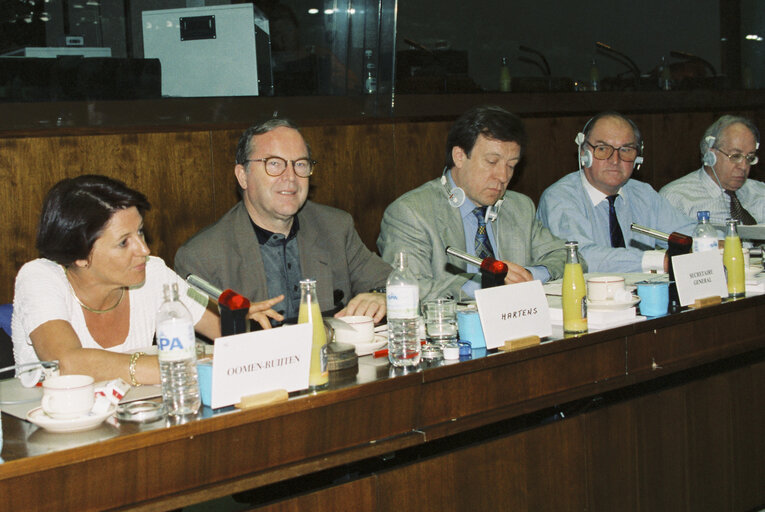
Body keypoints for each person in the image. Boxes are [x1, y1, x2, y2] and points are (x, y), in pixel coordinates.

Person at [11, 175, 281, 385]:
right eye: (123, 242)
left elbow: (223, 334)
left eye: (140, 232)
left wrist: (237, 318)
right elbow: (68, 364)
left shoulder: (152, 272)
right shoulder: (39, 277)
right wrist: (179, 367)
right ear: (80, 255)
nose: (144, 250)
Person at [175, 118, 391, 324]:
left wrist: (381, 297)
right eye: (274, 164)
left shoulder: (335, 228)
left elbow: (394, 284)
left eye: (300, 164)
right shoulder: (202, 257)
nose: (290, 177)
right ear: (242, 176)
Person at [377, 105, 568, 302]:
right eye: (492, 162)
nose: (503, 176)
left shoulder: (519, 206)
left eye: (511, 166)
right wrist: (483, 284)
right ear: (459, 156)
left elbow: (567, 256)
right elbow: (405, 289)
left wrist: (529, 275)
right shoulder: (411, 212)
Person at [537, 112, 695, 273]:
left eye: (626, 149)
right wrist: (659, 261)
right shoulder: (560, 197)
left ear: (638, 159)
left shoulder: (643, 193)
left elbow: (690, 234)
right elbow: (579, 256)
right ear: (584, 154)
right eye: (603, 148)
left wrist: (712, 242)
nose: (615, 160)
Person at [660, 115, 765, 226]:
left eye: (750, 158)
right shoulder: (676, 197)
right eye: (735, 156)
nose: (744, 166)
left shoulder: (760, 191)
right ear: (711, 155)